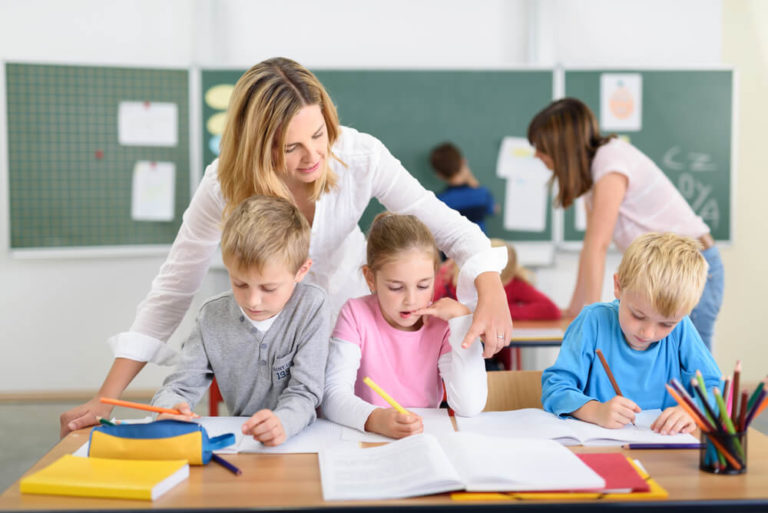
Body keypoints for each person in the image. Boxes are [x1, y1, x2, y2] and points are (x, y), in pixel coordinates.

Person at [60, 57, 512, 437]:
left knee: (349, 428)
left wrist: (491, 290)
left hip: (346, 323)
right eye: (290, 147)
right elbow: (173, 288)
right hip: (270, 331)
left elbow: (453, 230)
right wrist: (108, 397)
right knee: (279, 436)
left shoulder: (359, 155)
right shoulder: (224, 182)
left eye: (319, 135)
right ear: (258, 147)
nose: (313, 156)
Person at [527, 98, 723, 350]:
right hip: (667, 273)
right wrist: (576, 310)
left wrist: (589, 314)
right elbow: (590, 245)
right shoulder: (594, 175)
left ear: (561, 146)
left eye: (541, 147)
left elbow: (599, 245)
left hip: (692, 269)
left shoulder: (610, 161)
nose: (537, 154)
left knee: (691, 368)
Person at [152, 195, 328, 446]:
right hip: (245, 439)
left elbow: (306, 391)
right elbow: (178, 388)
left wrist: (282, 422)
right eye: (240, 283)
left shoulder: (311, 307)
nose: (253, 300)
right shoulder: (211, 317)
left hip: (305, 438)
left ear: (301, 271)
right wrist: (170, 408)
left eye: (268, 288)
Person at [322, 213, 495, 439]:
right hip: (365, 439)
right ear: (370, 278)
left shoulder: (442, 325)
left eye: (423, 285)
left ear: (435, 276)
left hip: (422, 440)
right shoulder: (355, 314)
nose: (411, 300)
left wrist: (462, 321)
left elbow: (469, 405)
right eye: (396, 287)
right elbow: (332, 396)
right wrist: (376, 418)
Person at [541, 232, 721, 435]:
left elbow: (715, 389)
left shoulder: (681, 328)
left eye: (666, 324)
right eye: (638, 315)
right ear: (618, 286)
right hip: (600, 450)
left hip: (665, 452)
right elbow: (555, 387)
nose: (648, 332)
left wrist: (693, 410)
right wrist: (596, 411)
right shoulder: (593, 322)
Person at [434, 238, 561, 321]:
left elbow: (551, 310)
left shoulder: (514, 283)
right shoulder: (450, 274)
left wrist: (500, 310)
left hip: (493, 351)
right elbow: (429, 305)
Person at [430, 142, 497, 233]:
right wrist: (472, 179)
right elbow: (493, 209)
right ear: (463, 162)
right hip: (481, 245)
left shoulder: (439, 201)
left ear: (439, 175)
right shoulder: (482, 194)